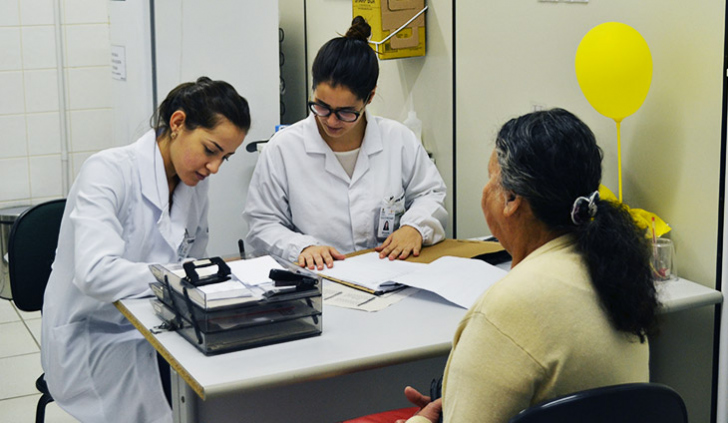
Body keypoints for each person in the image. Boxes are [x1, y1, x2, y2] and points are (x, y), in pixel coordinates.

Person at [397, 108, 659, 422]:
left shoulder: (505, 308)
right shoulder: (615, 272)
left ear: (511, 200)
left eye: (491, 178)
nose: (485, 190)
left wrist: (422, 420)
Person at [41, 77, 250, 423]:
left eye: (225, 158)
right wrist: (177, 277)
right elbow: (96, 274)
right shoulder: (107, 172)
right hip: (93, 335)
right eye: (211, 150)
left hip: (158, 323)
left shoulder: (193, 184)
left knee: (230, 375)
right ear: (178, 123)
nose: (214, 167)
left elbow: (192, 264)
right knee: (180, 400)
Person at [243, 16, 447, 270]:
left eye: (346, 112)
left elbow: (430, 193)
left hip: (389, 274)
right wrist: (302, 247)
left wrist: (414, 227)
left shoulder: (398, 139)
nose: (331, 120)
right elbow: (262, 222)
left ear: (369, 97)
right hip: (317, 281)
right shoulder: (283, 149)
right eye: (321, 106)